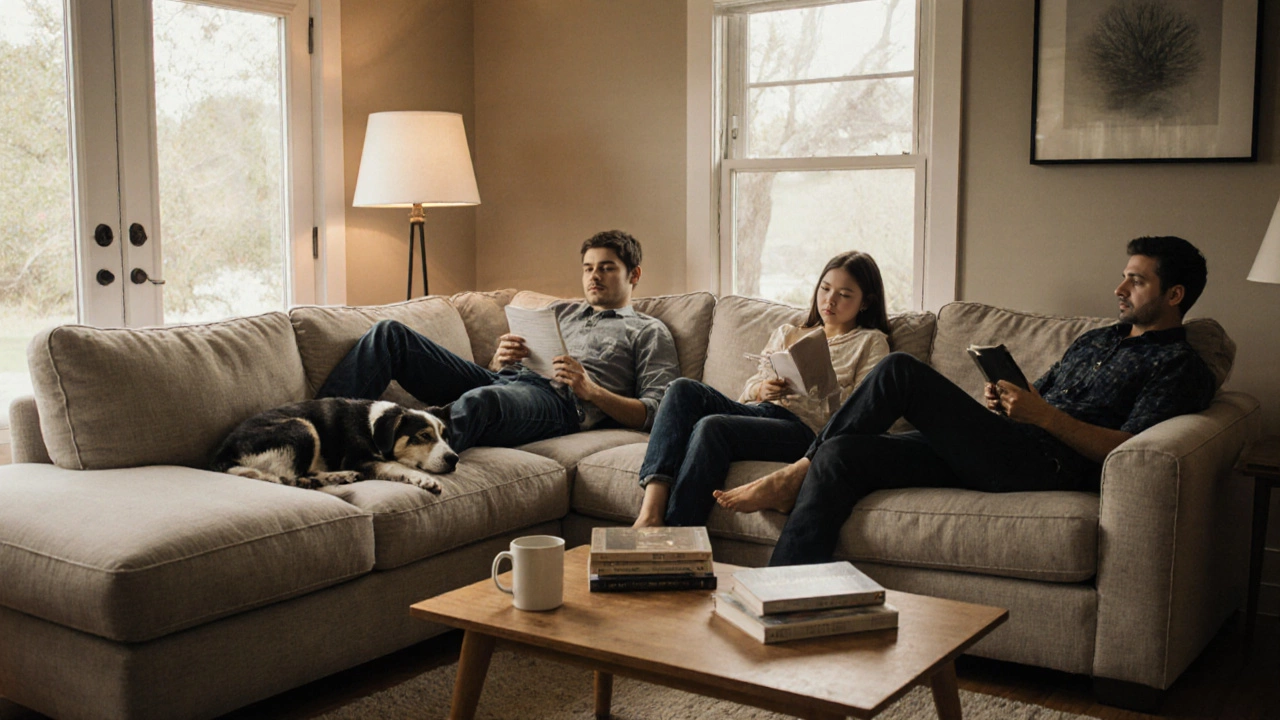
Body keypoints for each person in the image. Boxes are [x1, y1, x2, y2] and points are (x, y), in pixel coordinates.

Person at [715, 236, 1218, 566]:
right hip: (1005, 443)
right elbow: (1038, 393)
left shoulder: (1179, 366)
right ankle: (783, 598)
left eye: (1137, 280)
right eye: (1124, 275)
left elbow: (1129, 450)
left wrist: (1042, 416)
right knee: (844, 454)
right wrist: (1008, 400)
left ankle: (796, 470)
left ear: (1174, 295)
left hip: (1046, 465)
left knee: (899, 372)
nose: (1120, 288)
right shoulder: (1096, 341)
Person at [317, 230, 680, 455]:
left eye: (607, 267)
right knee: (389, 335)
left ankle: (377, 452)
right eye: (588, 267)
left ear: (634, 275)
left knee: (482, 401)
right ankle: (312, 425)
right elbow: (500, 375)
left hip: (562, 405)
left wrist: (592, 390)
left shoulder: (649, 331)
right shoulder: (563, 311)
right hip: (507, 381)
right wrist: (499, 361)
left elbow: (657, 412)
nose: (594, 276)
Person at [632, 251, 892, 528]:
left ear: (866, 302)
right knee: (681, 389)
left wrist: (822, 391)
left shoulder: (871, 342)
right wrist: (763, 390)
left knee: (712, 427)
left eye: (845, 294)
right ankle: (650, 513)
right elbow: (750, 388)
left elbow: (865, 410)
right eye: (825, 289)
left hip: (805, 431)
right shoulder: (789, 333)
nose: (830, 300)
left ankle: (677, 537)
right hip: (764, 411)